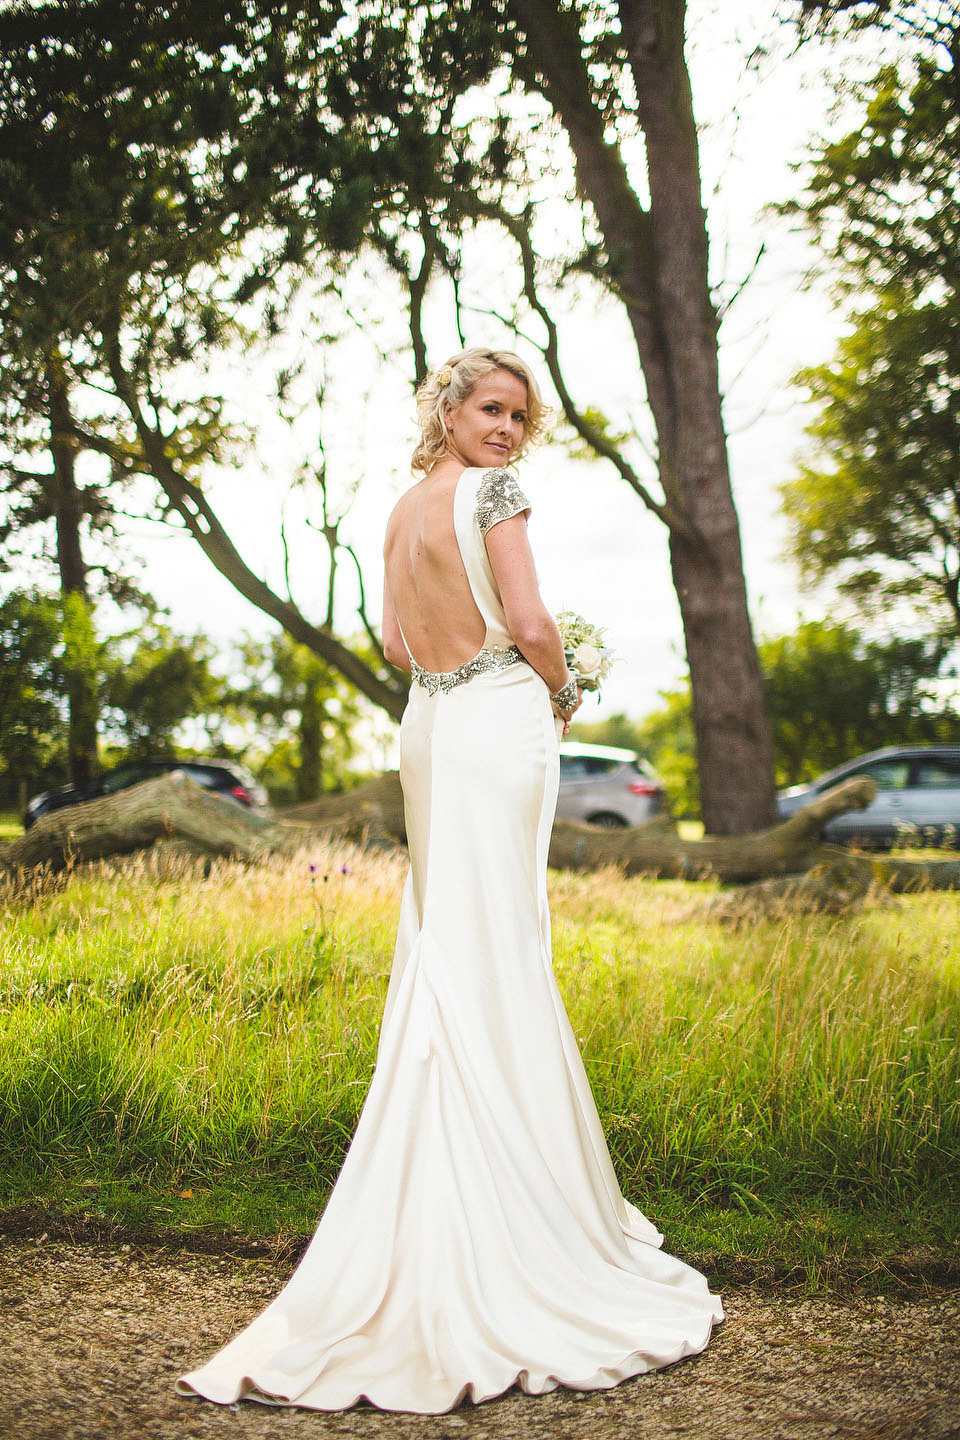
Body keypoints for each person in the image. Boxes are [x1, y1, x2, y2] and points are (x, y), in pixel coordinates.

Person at [176, 347, 723, 1415]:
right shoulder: (495, 494)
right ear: (452, 409)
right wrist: (561, 689)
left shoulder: (401, 507)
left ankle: (439, 1185)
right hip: (496, 721)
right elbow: (527, 625)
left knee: (448, 945)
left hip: (428, 725)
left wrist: (462, 664)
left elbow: (393, 638)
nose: (509, 431)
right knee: (501, 946)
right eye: (492, 409)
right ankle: (519, 1216)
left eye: (520, 416)